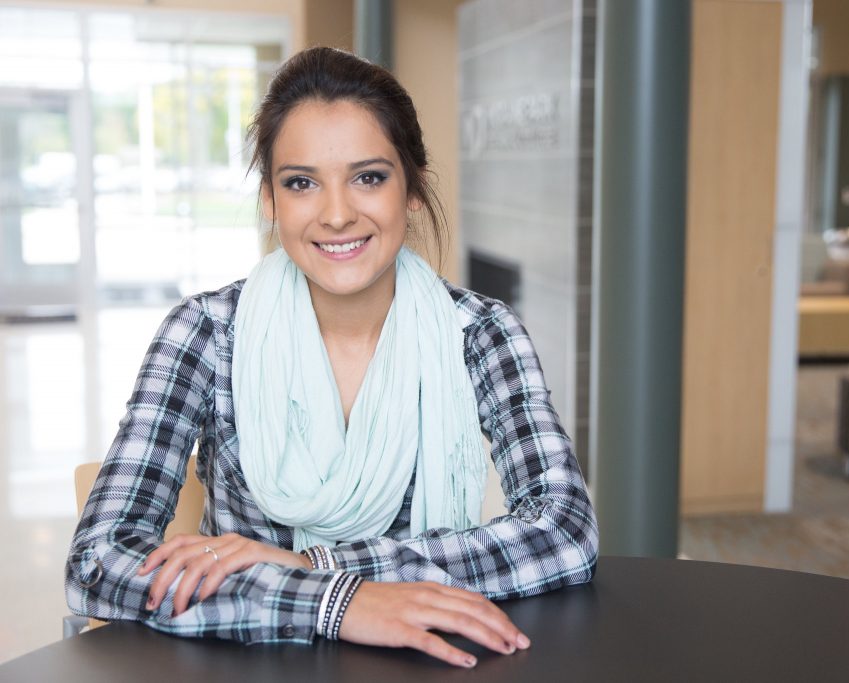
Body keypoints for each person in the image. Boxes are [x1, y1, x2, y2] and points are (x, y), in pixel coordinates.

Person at [65, 47, 598, 668]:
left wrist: (315, 564)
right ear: (270, 199)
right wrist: (333, 601)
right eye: (301, 183)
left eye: (369, 177)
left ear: (413, 189)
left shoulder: (480, 333)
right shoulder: (206, 333)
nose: (338, 214)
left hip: (425, 662)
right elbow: (97, 563)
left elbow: (565, 530)